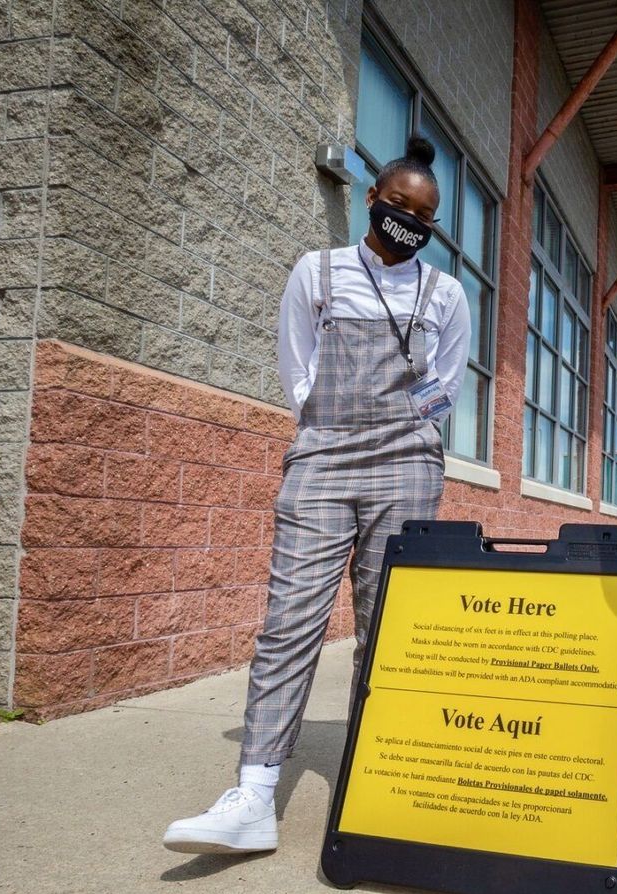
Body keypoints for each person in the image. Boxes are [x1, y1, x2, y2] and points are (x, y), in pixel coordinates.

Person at [163, 136, 471, 854]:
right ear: (372, 198)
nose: (409, 220)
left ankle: (377, 777)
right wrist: (327, 420)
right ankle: (255, 793)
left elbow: (447, 384)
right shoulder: (318, 270)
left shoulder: (446, 293)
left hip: (406, 465)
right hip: (323, 458)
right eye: (399, 205)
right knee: (290, 619)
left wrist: (408, 429)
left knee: (387, 623)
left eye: (424, 216)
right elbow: (295, 363)